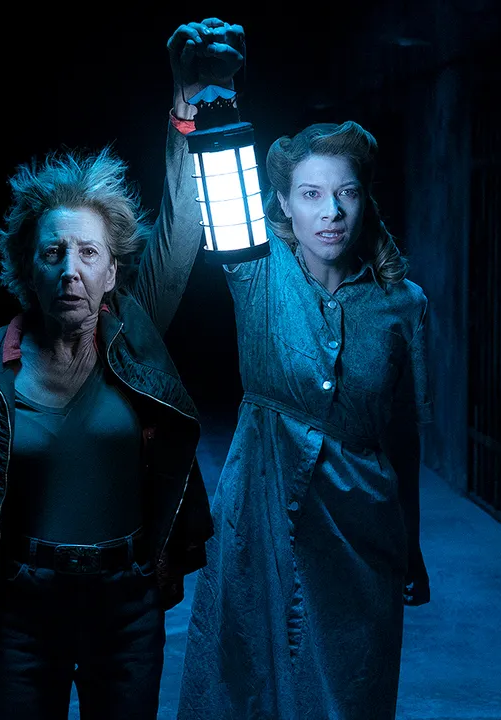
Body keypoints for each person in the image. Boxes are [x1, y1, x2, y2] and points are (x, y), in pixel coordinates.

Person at [0, 19, 246, 719]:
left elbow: (181, 230)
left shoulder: (134, 336)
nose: (69, 270)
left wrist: (186, 109)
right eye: (52, 253)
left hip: (124, 605)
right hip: (21, 609)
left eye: (88, 254)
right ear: (27, 268)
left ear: (112, 273)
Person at [175, 115, 434, 718]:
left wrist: (411, 541)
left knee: (350, 691)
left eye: (347, 193)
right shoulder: (254, 266)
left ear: (365, 200)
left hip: (361, 524)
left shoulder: (404, 304)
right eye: (311, 194)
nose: (331, 212)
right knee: (244, 684)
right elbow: (202, 184)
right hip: (259, 512)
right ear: (285, 207)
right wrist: (203, 108)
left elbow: (403, 437)